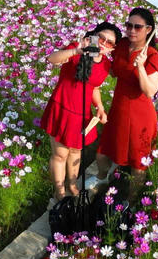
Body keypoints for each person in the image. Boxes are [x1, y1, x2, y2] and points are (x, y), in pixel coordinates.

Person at [38, 22, 121, 201]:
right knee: (60, 154)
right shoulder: (77, 49)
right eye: (101, 38)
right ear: (93, 35)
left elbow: (94, 87)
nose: (103, 43)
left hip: (82, 114)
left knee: (75, 152)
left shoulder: (105, 64)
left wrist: (99, 107)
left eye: (109, 43)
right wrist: (76, 51)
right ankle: (59, 191)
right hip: (62, 107)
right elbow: (52, 58)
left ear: (112, 49)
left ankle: (73, 184)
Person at [86, 7, 158, 198]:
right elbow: (112, 68)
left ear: (148, 29)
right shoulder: (121, 46)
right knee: (104, 152)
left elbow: (150, 91)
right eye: (129, 25)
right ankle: (102, 177)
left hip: (140, 115)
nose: (132, 30)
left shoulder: (153, 56)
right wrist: (94, 56)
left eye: (138, 27)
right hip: (119, 109)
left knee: (138, 162)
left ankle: (132, 198)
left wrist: (141, 67)